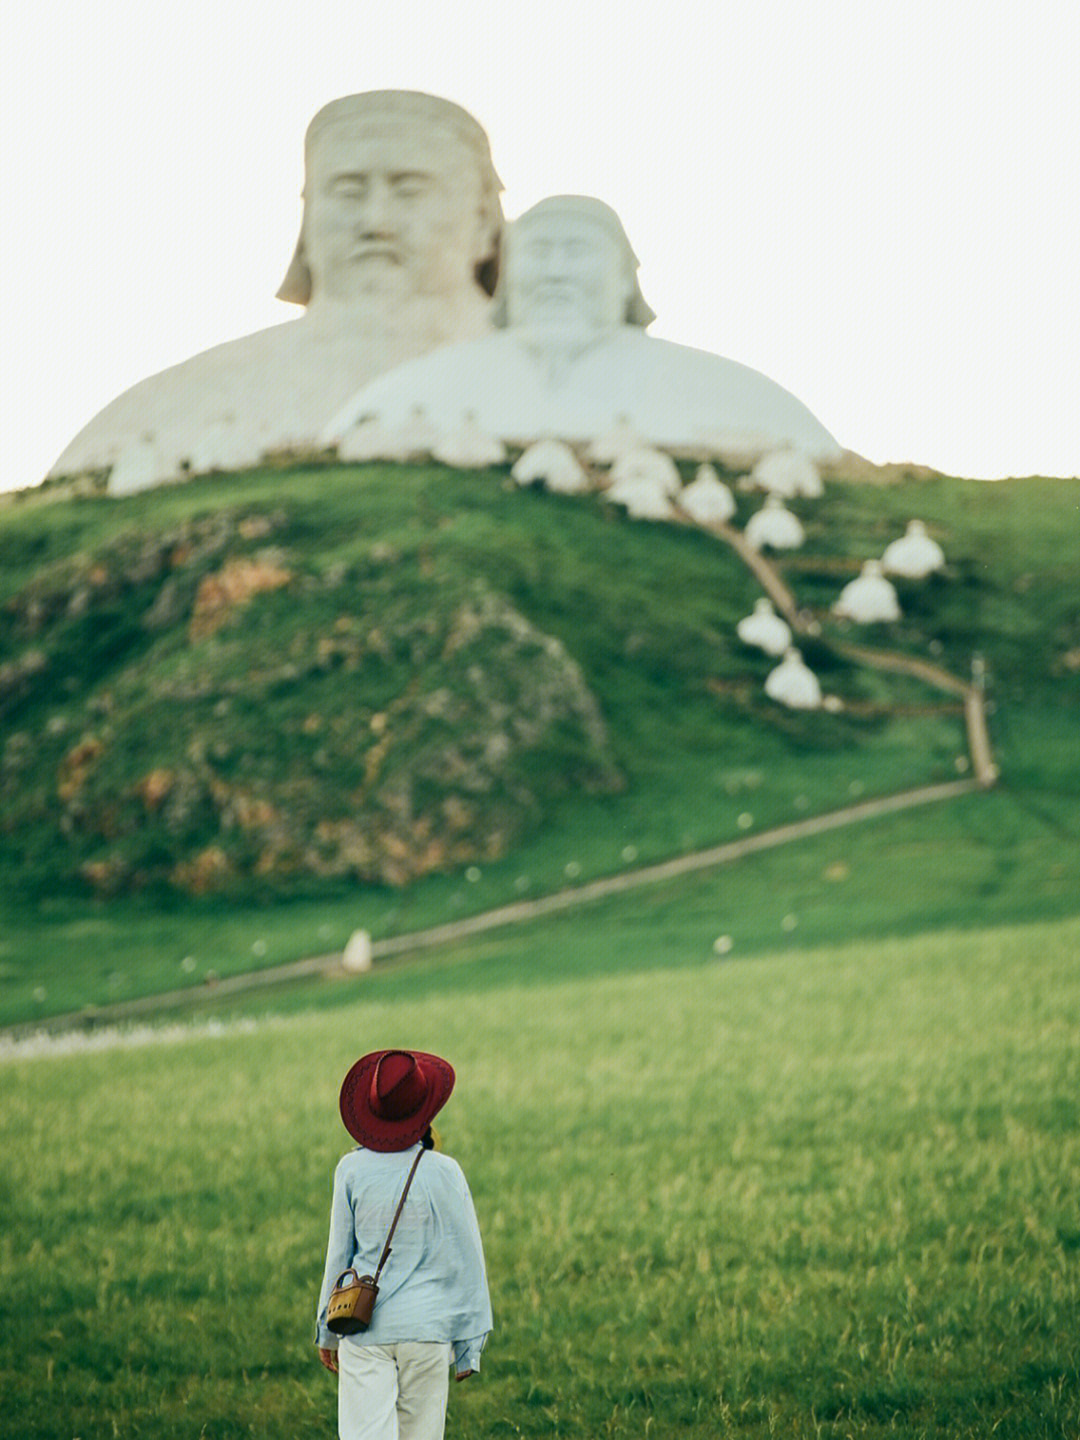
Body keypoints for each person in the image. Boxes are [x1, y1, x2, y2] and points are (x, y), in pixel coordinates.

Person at [49, 92, 503, 492]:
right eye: (347, 192)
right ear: (308, 219)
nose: (375, 222)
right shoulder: (163, 408)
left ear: (483, 220)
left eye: (410, 191)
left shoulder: (555, 376)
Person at [326, 194, 841, 463]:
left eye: (577, 253)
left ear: (623, 280)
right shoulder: (412, 390)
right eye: (538, 254)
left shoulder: (737, 395)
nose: (555, 272)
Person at [315, 1049, 492, 1440]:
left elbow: (338, 1257)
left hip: (364, 1329)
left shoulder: (351, 1171)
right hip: (428, 1333)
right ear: (424, 1111)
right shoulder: (446, 1173)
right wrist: (469, 1345)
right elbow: (467, 1260)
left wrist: (326, 1332)